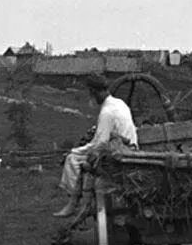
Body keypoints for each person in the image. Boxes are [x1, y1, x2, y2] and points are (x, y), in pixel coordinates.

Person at [52, 73, 138, 218]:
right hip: (131, 149)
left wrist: (75, 151)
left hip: (118, 154)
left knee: (72, 160)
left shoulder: (106, 112)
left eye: (91, 93)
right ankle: (77, 201)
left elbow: (99, 144)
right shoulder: (120, 103)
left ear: (94, 92)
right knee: (78, 156)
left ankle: (76, 202)